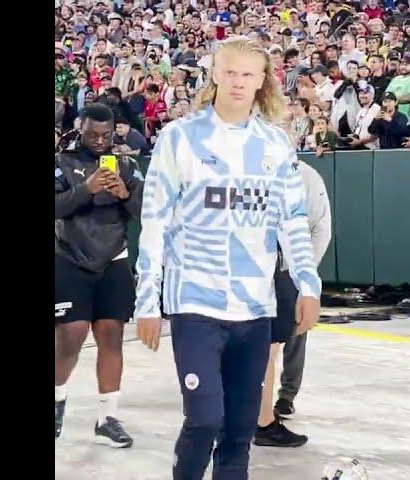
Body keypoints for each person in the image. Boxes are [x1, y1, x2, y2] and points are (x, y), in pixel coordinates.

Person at [134, 36, 321, 480]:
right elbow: (154, 223)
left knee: (239, 432)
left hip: (255, 308)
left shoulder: (275, 145)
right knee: (204, 420)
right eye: (230, 72)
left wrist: (307, 285)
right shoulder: (179, 138)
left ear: (262, 82)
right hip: (196, 303)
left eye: (248, 74)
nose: (238, 82)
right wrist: (147, 301)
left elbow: (293, 222)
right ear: (215, 73)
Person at [55, 103, 144, 447]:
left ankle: (107, 417)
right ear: (81, 128)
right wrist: (87, 189)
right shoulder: (62, 161)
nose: (99, 141)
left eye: (106, 136)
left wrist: (125, 194)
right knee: (70, 337)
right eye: (93, 135)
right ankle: (58, 401)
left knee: (112, 336)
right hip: (70, 257)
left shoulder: (126, 165)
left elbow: (147, 212)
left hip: (114, 259)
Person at [254, 159, 331, 447]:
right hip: (254, 271)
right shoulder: (241, 167)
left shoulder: (306, 177)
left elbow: (321, 230)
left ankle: (277, 404)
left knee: (276, 344)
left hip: (284, 271)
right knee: (264, 349)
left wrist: (305, 278)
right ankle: (259, 420)